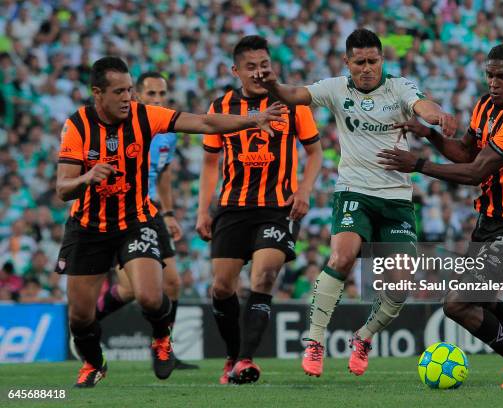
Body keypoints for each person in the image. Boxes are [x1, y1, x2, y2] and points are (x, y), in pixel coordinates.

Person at [55, 56, 283, 388]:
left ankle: (162, 338)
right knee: (79, 317)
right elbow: (63, 189)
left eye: (130, 90)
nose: (127, 98)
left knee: (150, 295)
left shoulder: (144, 116)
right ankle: (94, 362)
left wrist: (251, 120)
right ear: (97, 93)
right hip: (87, 227)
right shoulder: (76, 126)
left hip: (136, 220)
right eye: (119, 92)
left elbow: (204, 123)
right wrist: (87, 177)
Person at [252, 28, 456, 377]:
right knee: (342, 256)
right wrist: (272, 85)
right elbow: (294, 94)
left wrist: (434, 114)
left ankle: (363, 337)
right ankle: (315, 341)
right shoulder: (335, 88)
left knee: (402, 281)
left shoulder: (398, 87)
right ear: (347, 63)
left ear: (382, 61)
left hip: (396, 197)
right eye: (359, 62)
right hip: (353, 191)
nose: (366, 68)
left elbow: (422, 104)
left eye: (373, 61)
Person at [377, 44, 503, 388]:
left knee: (457, 304)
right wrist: (429, 134)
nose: (493, 82)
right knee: (482, 299)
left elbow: (475, 173)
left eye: (502, 76)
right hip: (490, 222)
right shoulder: (485, 106)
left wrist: (418, 165)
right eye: (489, 74)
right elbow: (464, 152)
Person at [195, 35, 322, 384]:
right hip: (232, 208)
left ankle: (247, 361)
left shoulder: (292, 103)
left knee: (264, 276)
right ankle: (232, 356)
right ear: (236, 71)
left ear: (272, 67)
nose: (258, 72)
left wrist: (304, 190)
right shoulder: (220, 107)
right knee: (222, 288)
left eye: (264, 65)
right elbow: (209, 163)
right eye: (250, 67)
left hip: (277, 208)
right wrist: (203, 210)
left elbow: (315, 152)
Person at [95, 72, 197, 370]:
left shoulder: (167, 131)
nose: (158, 100)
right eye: (151, 94)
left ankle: (163, 347)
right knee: (130, 290)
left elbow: (163, 174)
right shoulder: (125, 127)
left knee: (174, 282)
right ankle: (87, 321)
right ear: (136, 96)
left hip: (152, 212)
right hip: (122, 212)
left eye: (162, 94)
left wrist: (167, 213)